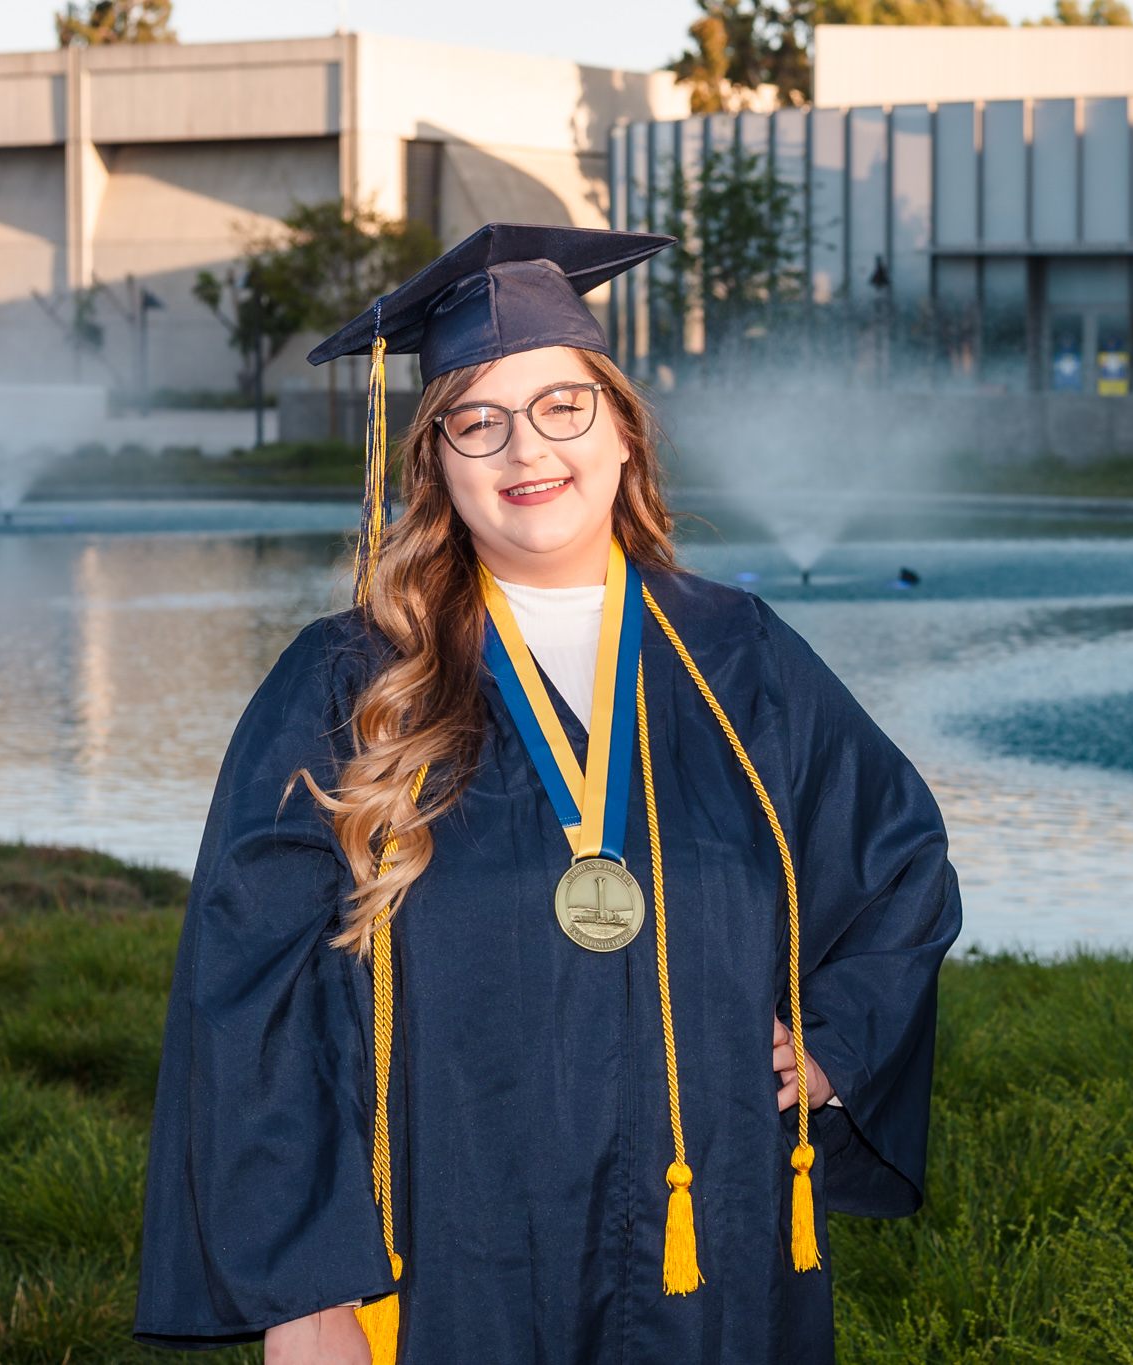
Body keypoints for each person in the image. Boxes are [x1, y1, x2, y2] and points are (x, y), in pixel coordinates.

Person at [133, 224, 962, 1364]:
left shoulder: (739, 659)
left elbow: (896, 862)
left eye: (563, 406)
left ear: (621, 430)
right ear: (438, 462)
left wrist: (837, 1045)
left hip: (705, 1234)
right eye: (479, 419)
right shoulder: (351, 684)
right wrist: (304, 1293)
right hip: (451, 1253)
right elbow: (256, 1002)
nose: (527, 447)